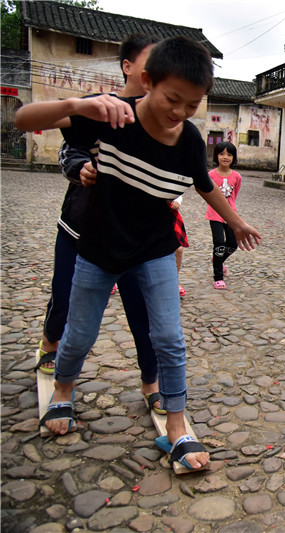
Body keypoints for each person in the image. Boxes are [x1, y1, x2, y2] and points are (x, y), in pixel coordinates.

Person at [15, 36, 261, 471]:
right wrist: (76, 105)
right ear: (147, 81)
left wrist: (237, 222)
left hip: (154, 251)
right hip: (98, 248)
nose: (179, 112)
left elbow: (204, 185)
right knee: (80, 332)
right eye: (172, 99)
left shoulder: (188, 139)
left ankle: (177, 425)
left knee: (169, 337)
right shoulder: (111, 116)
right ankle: (63, 391)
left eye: (192, 105)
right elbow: (22, 119)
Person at [36, 34, 170, 415]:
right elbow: (69, 149)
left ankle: (151, 380)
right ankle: (51, 343)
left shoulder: (160, 117)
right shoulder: (98, 107)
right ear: (128, 66)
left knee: (143, 313)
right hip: (82, 228)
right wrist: (81, 168)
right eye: (150, 61)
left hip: (134, 237)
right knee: (65, 298)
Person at [206, 142, 242, 290]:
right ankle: (218, 277)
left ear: (234, 157)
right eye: (222, 154)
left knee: (232, 244)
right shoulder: (210, 175)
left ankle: (218, 259)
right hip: (214, 213)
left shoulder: (237, 176)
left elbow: (234, 195)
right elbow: (208, 194)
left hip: (230, 214)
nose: (225, 157)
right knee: (219, 244)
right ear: (216, 156)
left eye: (229, 154)